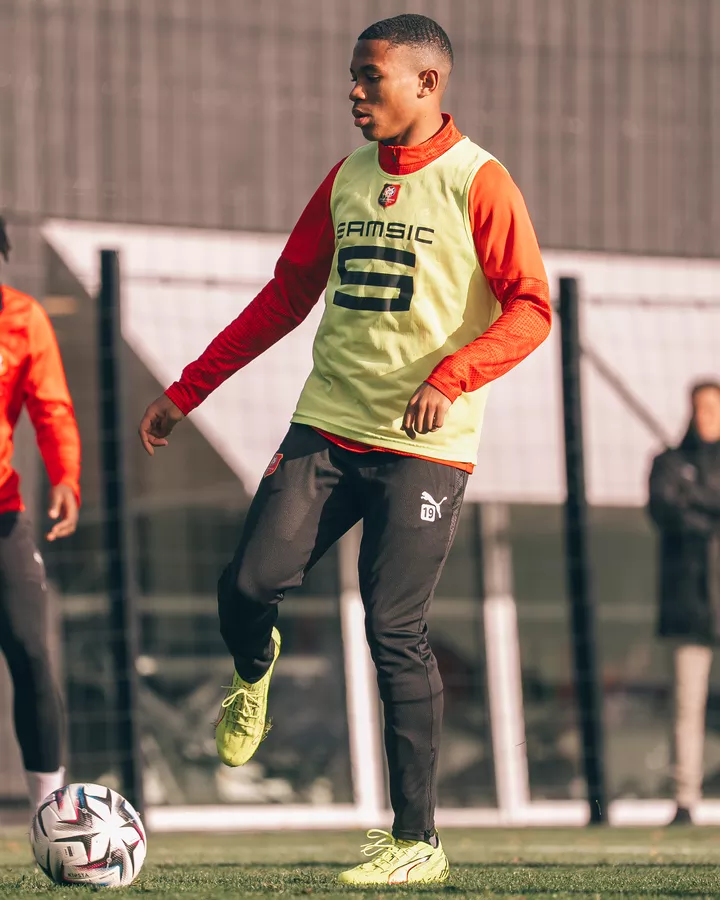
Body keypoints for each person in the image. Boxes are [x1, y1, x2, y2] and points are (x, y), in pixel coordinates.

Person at [138, 14, 551, 884]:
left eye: (371, 78)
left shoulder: (481, 182)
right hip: (326, 428)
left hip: (425, 449)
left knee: (394, 629)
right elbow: (284, 298)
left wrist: (454, 375)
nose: (354, 93)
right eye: (353, 78)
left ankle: (415, 843)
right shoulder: (347, 178)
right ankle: (255, 669)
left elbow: (531, 308)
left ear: (428, 85)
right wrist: (187, 391)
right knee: (246, 588)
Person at [0, 217, 81, 813]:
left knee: (31, 651)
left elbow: (52, 409)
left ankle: (47, 815)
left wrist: (66, 477)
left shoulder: (23, 318)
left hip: (3, 518)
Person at [649, 381, 720, 825]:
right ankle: (684, 800)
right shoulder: (668, 463)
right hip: (688, 607)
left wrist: (696, 498)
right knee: (686, 707)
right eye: (701, 407)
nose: (707, 414)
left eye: (714, 407)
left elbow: (686, 505)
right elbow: (665, 509)